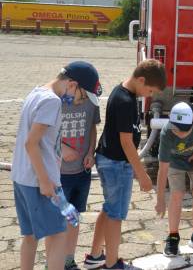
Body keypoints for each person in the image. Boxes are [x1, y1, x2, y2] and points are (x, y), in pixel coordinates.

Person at [12, 61, 101, 270]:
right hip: (41, 181)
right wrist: (44, 181)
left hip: (22, 177)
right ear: (72, 84)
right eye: (82, 95)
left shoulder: (37, 92)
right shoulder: (52, 101)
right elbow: (31, 143)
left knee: (31, 235)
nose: (80, 100)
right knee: (58, 236)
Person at [86, 59, 167, 270]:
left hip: (109, 159)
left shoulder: (125, 93)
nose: (149, 95)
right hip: (116, 164)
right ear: (141, 80)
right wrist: (142, 174)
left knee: (109, 209)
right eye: (149, 90)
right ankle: (112, 264)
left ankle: (95, 256)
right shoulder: (125, 100)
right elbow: (126, 142)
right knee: (116, 215)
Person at [155, 102, 193, 257]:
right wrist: (160, 200)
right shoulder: (166, 133)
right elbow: (162, 170)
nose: (180, 134)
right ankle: (173, 236)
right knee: (177, 194)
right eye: (176, 129)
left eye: (184, 130)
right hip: (175, 162)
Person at [60, 81, 101, 270]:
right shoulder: (57, 102)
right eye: (83, 94)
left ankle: (69, 259)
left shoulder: (92, 102)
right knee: (57, 220)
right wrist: (61, 148)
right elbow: (44, 133)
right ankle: (54, 262)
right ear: (75, 86)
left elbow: (92, 127)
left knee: (73, 216)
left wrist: (90, 151)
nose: (85, 99)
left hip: (81, 172)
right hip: (59, 174)